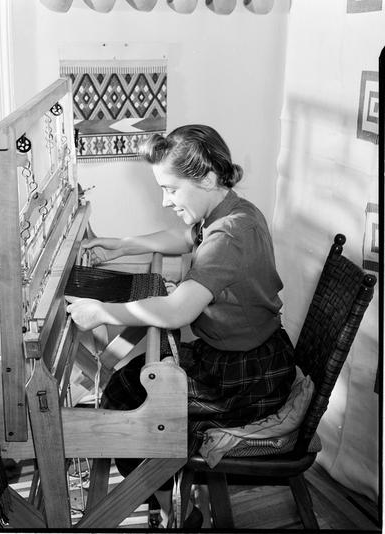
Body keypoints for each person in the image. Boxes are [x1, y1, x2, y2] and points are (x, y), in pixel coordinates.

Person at [66, 124, 296, 528]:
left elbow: (175, 312)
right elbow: (183, 239)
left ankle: (179, 511)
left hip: (245, 379)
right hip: (242, 359)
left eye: (171, 189)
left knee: (133, 407)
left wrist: (102, 311)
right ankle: (171, 498)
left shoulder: (231, 235)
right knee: (128, 383)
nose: (165, 200)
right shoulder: (231, 211)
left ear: (206, 178)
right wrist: (123, 244)